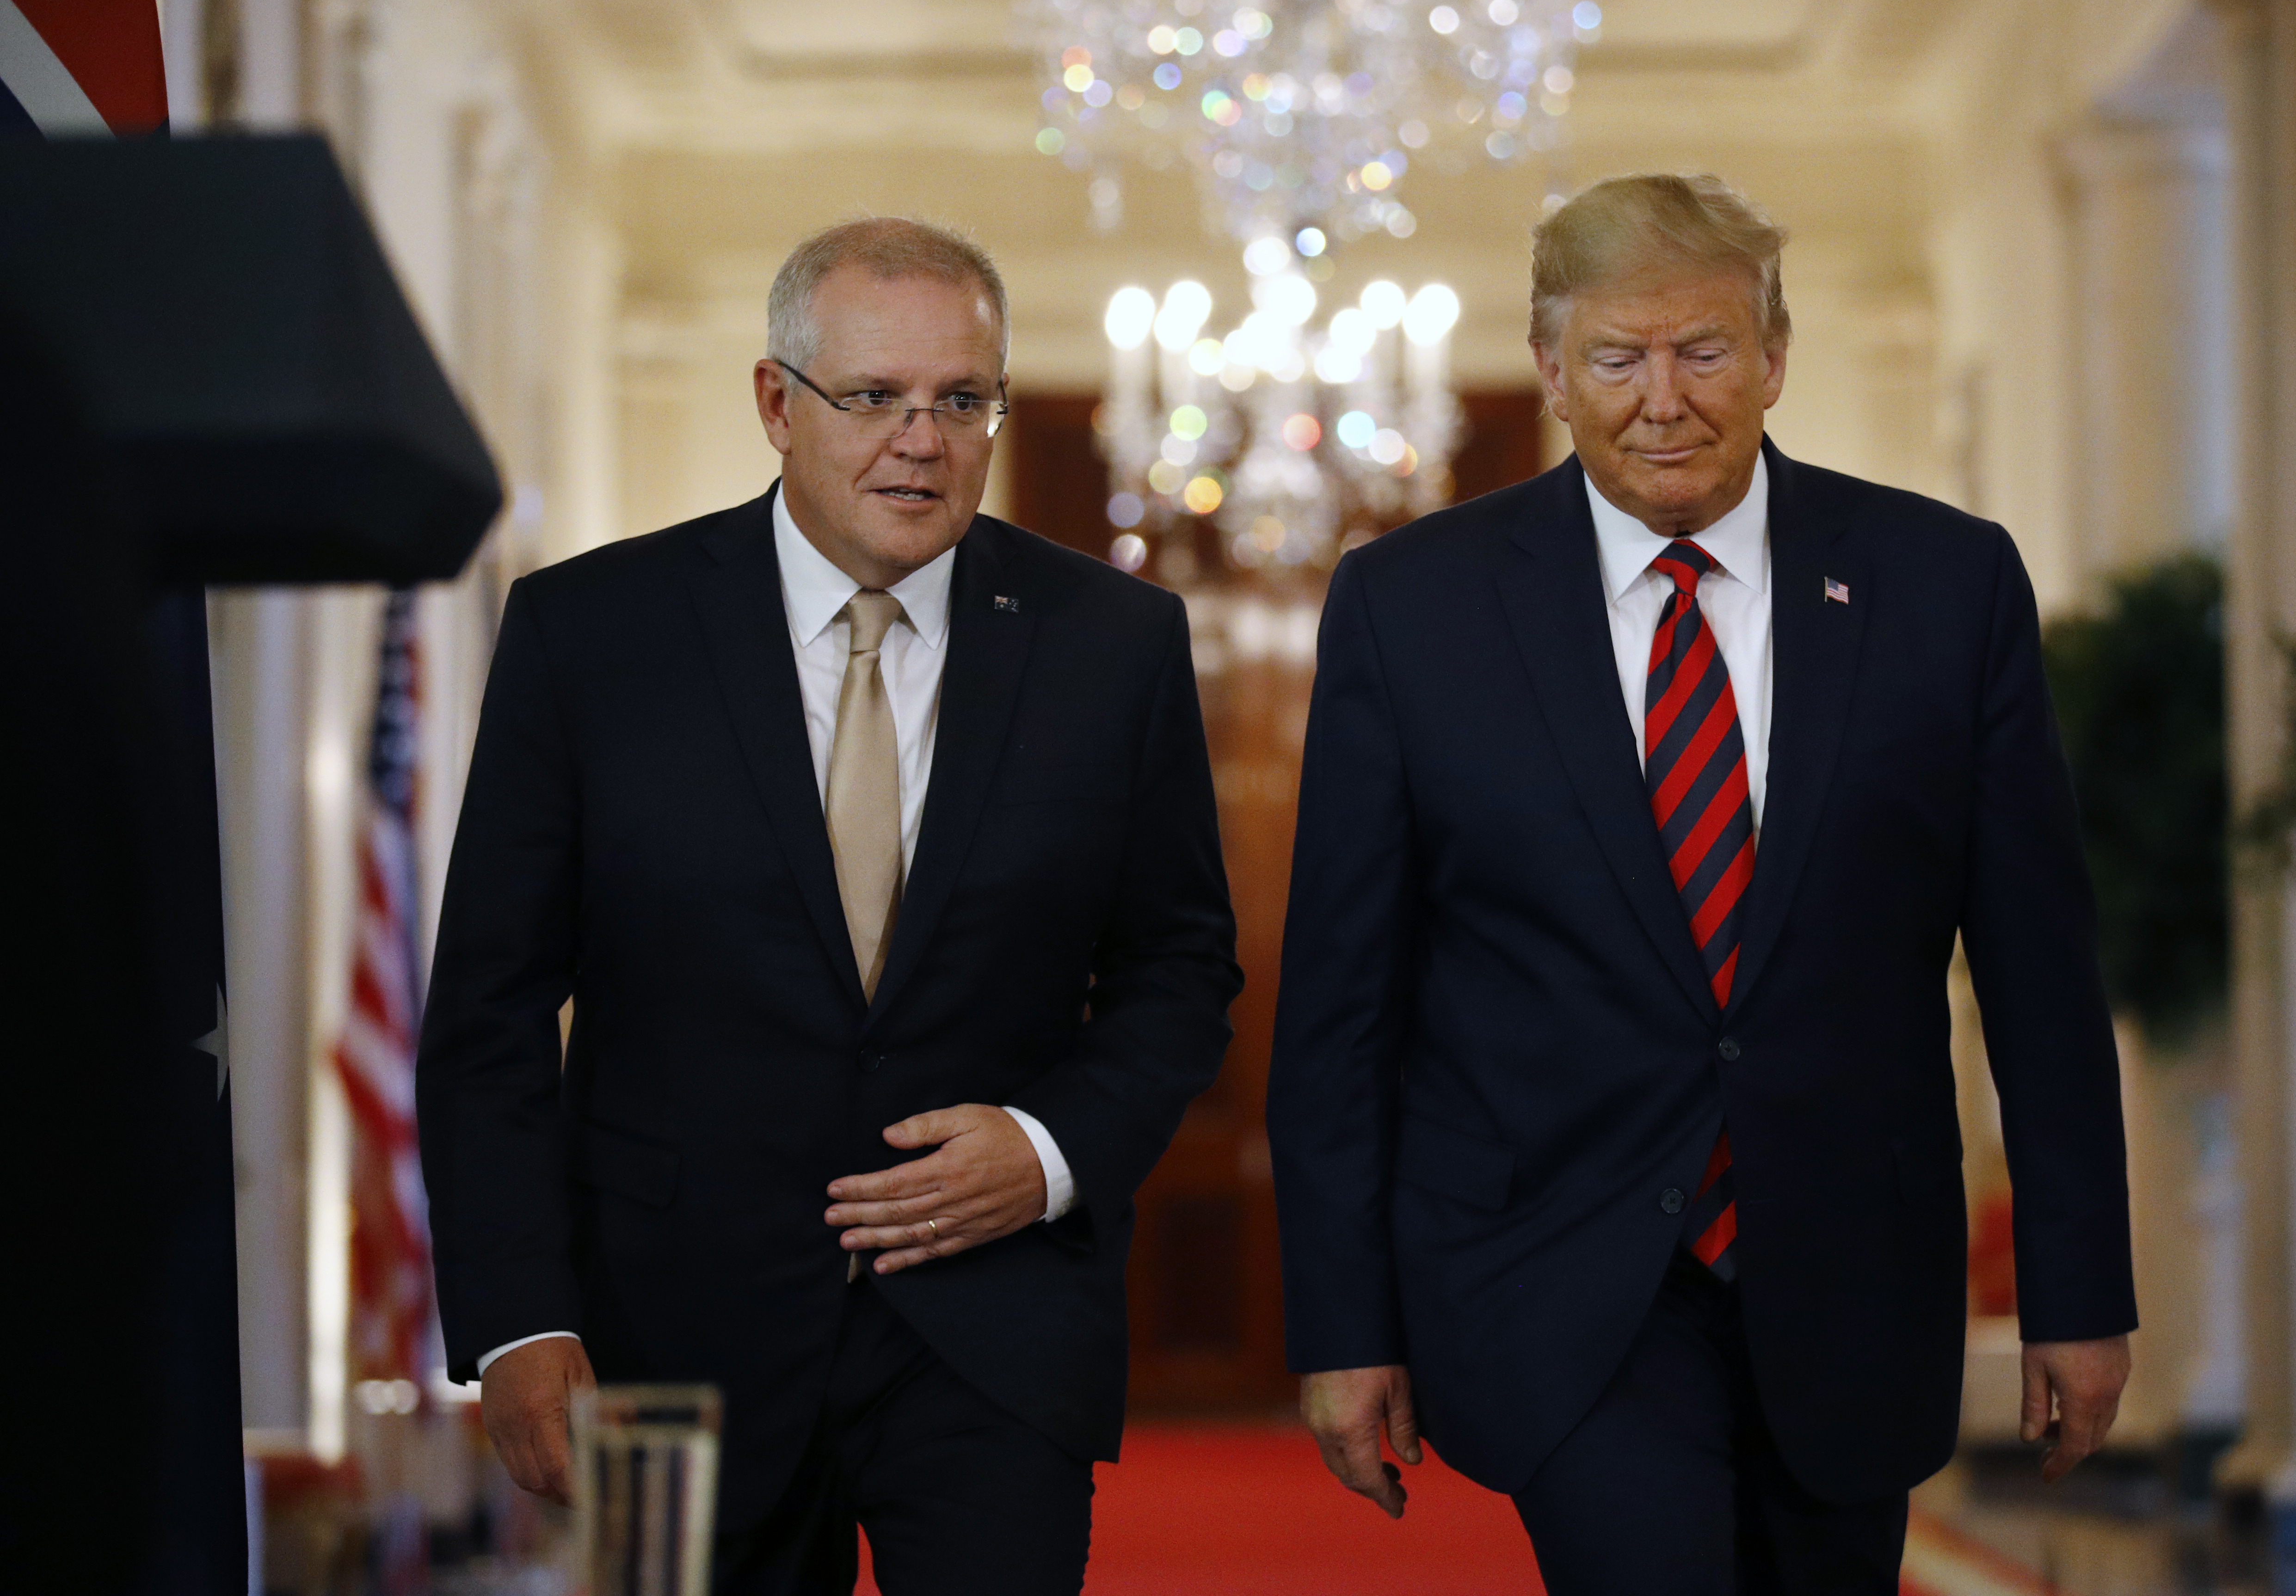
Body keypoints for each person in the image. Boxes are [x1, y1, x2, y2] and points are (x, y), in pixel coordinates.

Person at [1266, 172, 2136, 1594]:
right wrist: (1345, 1328)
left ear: (1775, 358)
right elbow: (1341, 1011)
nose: (1661, 397)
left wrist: (2079, 1293)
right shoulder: (1415, 607)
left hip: (1856, 1274)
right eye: (1617, 357)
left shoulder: (1946, 584)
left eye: (1705, 351)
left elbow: (2043, 972)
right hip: (1555, 1277)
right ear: (1553, 371)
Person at [417, 216, 1241, 1595]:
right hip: (673, 1334)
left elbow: (1180, 970)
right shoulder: (590, 636)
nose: (920, 439)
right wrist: (515, 1321)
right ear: (773, 404)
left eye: (960, 400)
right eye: (872, 398)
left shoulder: (1116, 645)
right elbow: (490, 1011)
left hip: (996, 1335)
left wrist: (1045, 1150)